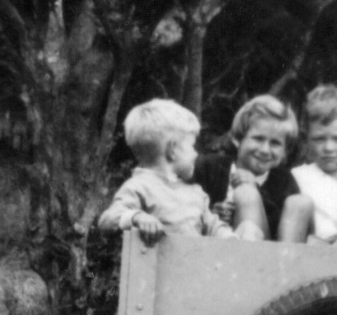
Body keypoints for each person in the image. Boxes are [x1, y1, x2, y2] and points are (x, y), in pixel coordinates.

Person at [98, 98, 264, 240]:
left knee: (250, 231)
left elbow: (213, 225)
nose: (195, 154)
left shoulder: (195, 193)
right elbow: (107, 219)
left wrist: (228, 237)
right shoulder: (139, 186)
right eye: (192, 146)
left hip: (192, 271)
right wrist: (137, 217)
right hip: (153, 272)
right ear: (173, 150)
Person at [193, 94, 301, 241]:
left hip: (263, 257)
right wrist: (212, 213)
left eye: (275, 143)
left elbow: (281, 232)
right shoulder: (209, 167)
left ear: (284, 151)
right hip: (210, 250)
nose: (265, 150)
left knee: (246, 193)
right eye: (258, 139)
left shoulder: (284, 181)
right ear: (237, 139)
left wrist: (256, 190)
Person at [280, 85, 337, 243]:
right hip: (308, 258)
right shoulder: (297, 177)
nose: (329, 148)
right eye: (319, 139)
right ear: (306, 139)